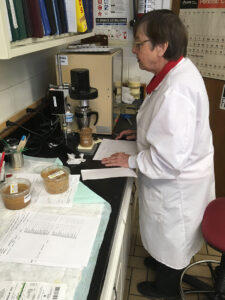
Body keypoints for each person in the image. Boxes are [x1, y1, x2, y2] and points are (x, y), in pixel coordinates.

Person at [101, 9, 215, 299]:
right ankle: (164, 265)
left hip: (177, 185)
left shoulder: (176, 90)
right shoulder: (175, 72)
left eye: (139, 44)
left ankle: (166, 290)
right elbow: (170, 131)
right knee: (166, 239)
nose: (134, 50)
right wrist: (141, 136)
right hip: (184, 177)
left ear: (161, 46)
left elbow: (169, 159)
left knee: (172, 239)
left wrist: (131, 159)